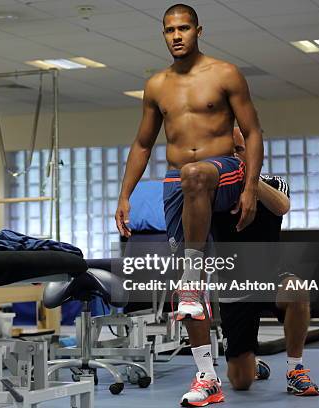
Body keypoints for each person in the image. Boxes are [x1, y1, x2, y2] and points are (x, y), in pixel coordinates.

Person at [115, 4, 263, 406]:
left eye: (183, 28)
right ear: (163, 35)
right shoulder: (157, 85)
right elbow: (143, 143)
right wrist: (125, 195)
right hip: (179, 181)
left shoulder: (225, 73)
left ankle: (194, 275)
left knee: (196, 174)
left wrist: (250, 187)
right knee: (188, 288)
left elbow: (251, 132)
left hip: (223, 171)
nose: (176, 36)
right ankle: (206, 378)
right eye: (169, 30)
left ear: (199, 30)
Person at [212, 128, 319, 396]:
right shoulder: (215, 194)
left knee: (297, 290)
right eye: (227, 153)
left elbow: (281, 206)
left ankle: (296, 370)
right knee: (241, 381)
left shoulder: (273, 182)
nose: (233, 157)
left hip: (271, 275)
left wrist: (249, 179)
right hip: (234, 286)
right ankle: (249, 362)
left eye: (239, 150)